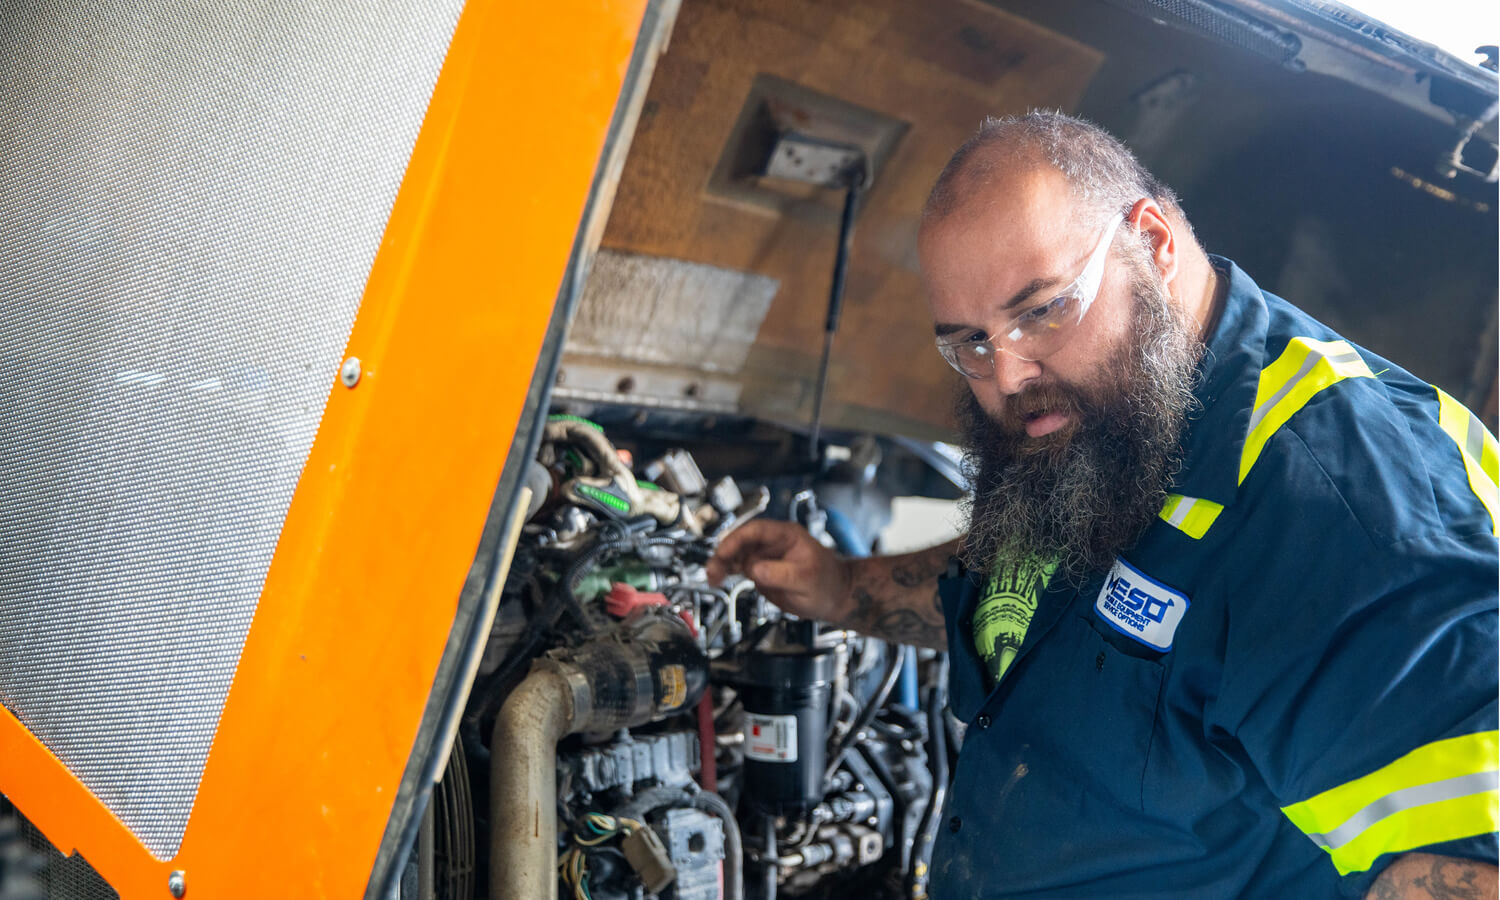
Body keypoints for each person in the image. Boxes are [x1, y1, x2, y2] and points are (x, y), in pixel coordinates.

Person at [707, 112, 1499, 898]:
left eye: (1042, 309)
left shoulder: (1345, 507)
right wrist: (842, 587)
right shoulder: (1108, 425)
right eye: (971, 344)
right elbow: (1023, 596)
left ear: (1152, 242)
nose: (1010, 375)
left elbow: (1469, 871)